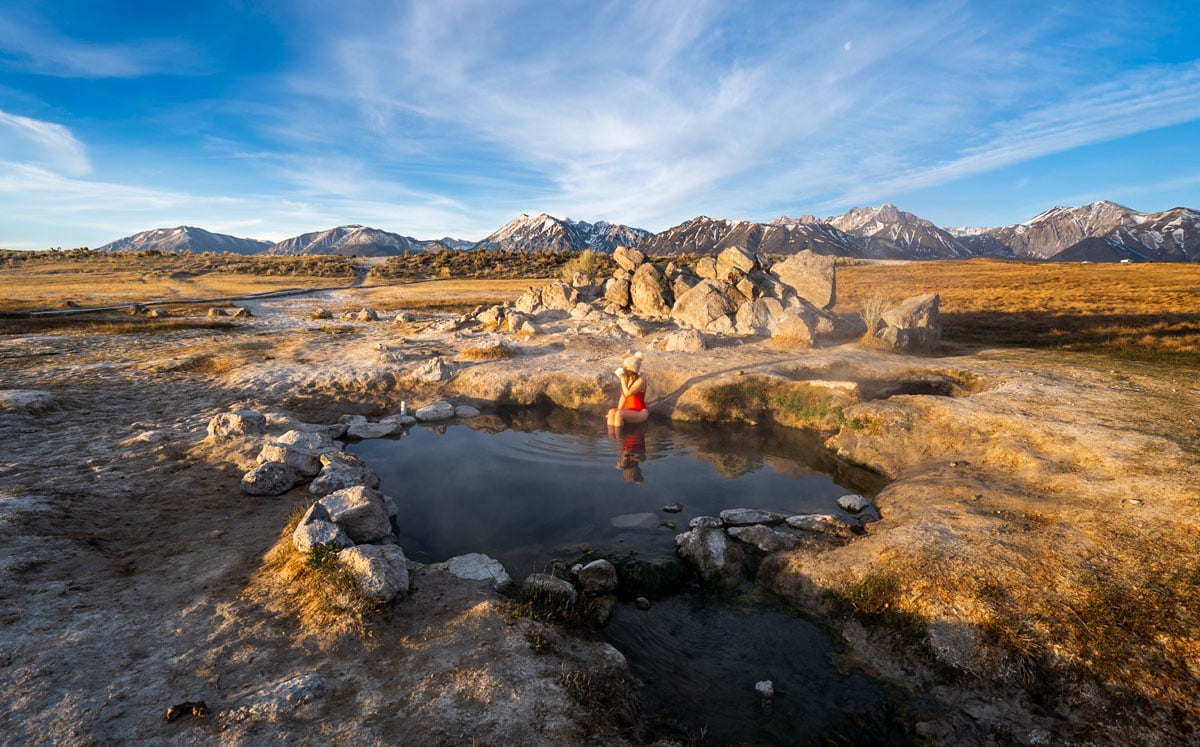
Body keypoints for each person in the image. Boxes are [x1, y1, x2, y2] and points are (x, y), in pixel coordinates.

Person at [606, 352, 648, 430]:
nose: (624, 369)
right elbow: (623, 396)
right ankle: (612, 440)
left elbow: (628, 393)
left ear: (632, 370)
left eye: (626, 367)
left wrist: (622, 379)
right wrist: (618, 409)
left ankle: (619, 440)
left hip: (640, 412)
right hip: (628, 410)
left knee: (619, 414)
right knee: (611, 412)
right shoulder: (627, 379)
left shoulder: (641, 380)